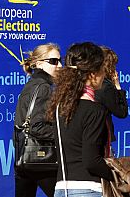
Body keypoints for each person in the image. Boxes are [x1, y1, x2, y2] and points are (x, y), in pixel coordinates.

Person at [46, 42, 114, 197]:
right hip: (88, 190)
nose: (104, 74)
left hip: (61, 189)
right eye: (102, 68)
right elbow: (91, 161)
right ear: (92, 73)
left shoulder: (59, 108)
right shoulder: (95, 110)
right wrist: (117, 175)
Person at [14, 43, 62, 197]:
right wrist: (62, 134)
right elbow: (37, 126)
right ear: (39, 63)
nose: (60, 65)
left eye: (60, 60)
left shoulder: (33, 83)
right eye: (54, 61)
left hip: (24, 157)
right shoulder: (43, 87)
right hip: (41, 159)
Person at [95, 47, 128, 156]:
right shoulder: (106, 87)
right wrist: (118, 87)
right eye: (114, 65)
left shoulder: (91, 83)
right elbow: (121, 112)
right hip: (102, 138)